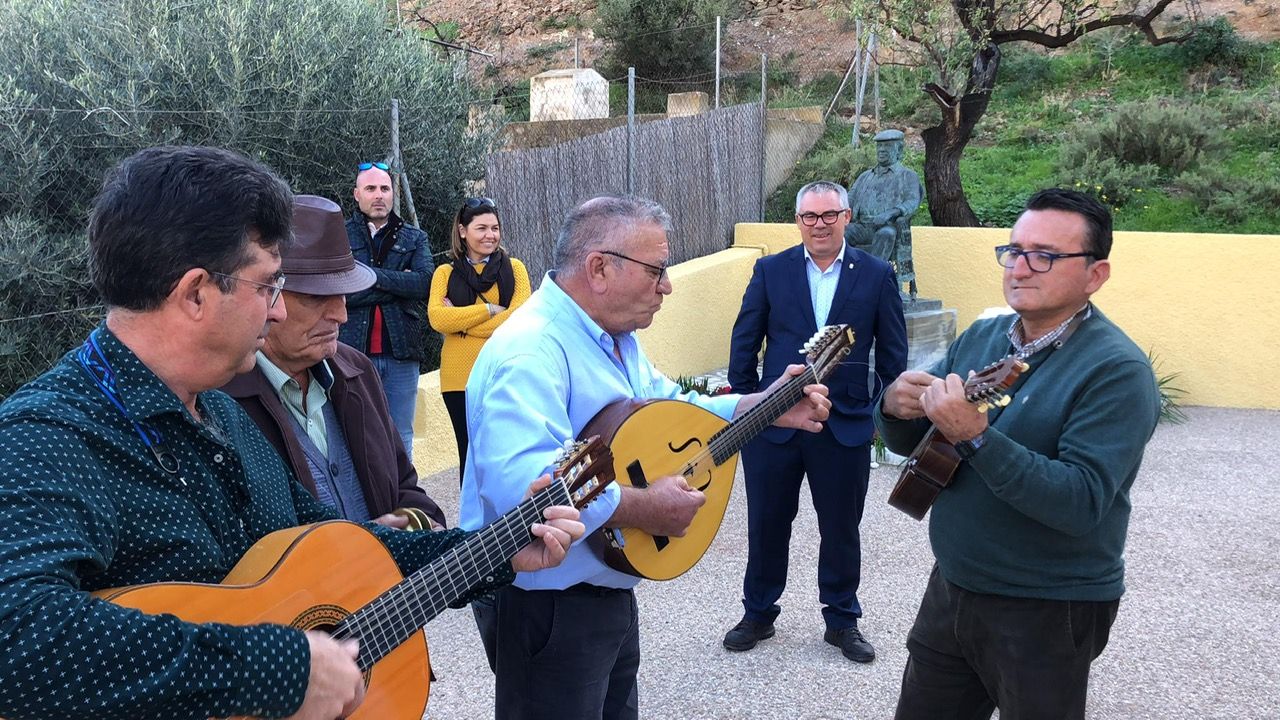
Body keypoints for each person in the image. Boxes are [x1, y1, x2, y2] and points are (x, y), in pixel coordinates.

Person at [0, 146, 583, 720]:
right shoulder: (49, 433)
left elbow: (335, 545)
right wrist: (277, 669)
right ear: (197, 292)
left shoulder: (221, 416)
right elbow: (16, 629)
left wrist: (491, 551)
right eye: (269, 286)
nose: (278, 312)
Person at [459, 195, 833, 720]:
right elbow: (528, 490)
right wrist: (643, 508)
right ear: (600, 268)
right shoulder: (531, 350)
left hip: (605, 584)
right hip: (548, 605)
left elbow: (670, 410)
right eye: (657, 270)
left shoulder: (613, 337)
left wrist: (760, 407)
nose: (667, 285)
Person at [876, 188, 1160, 720]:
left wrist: (978, 436)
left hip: (1048, 607)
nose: (1021, 268)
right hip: (954, 585)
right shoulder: (985, 337)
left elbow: (1080, 502)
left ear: (1095, 275)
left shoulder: (1116, 371)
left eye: (1045, 256)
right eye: (1014, 251)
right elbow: (919, 447)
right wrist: (894, 409)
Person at [722, 180, 908, 664]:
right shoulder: (770, 270)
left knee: (842, 525)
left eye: (829, 215)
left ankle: (842, 619)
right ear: (799, 221)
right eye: (810, 217)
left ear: (846, 217)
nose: (819, 224)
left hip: (843, 424)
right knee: (766, 522)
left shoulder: (875, 273)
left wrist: (878, 416)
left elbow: (893, 358)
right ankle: (758, 612)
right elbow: (744, 345)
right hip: (775, 424)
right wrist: (750, 408)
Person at [223, 194, 446, 531]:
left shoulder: (356, 370)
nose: (341, 314)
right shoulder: (220, 398)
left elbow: (406, 489)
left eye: (344, 294)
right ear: (267, 293)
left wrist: (411, 523)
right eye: (316, 298)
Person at [427, 196, 531, 482]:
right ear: (463, 231)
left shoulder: (515, 269)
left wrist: (462, 324)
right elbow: (437, 318)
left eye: (495, 228)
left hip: (504, 372)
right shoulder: (444, 273)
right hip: (459, 379)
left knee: (509, 449)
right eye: (481, 228)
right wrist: (487, 310)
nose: (490, 235)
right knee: (470, 454)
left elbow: (519, 317)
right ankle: (472, 524)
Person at [339, 161, 432, 455]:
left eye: (385, 188)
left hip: (401, 353)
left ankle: (401, 498)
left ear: (392, 193)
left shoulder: (414, 238)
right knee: (353, 432)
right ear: (357, 194)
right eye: (371, 188)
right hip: (352, 352)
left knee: (401, 434)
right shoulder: (339, 235)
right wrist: (396, 284)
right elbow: (342, 293)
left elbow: (424, 285)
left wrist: (370, 277)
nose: (379, 195)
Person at [844, 129, 923, 300]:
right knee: (838, 234)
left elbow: (912, 202)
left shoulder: (907, 176)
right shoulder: (865, 176)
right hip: (861, 226)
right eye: (879, 146)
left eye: (887, 146)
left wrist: (891, 213)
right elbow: (849, 198)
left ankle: (869, 283)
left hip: (889, 228)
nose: (881, 150)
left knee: (885, 235)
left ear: (899, 150)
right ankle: (841, 281)